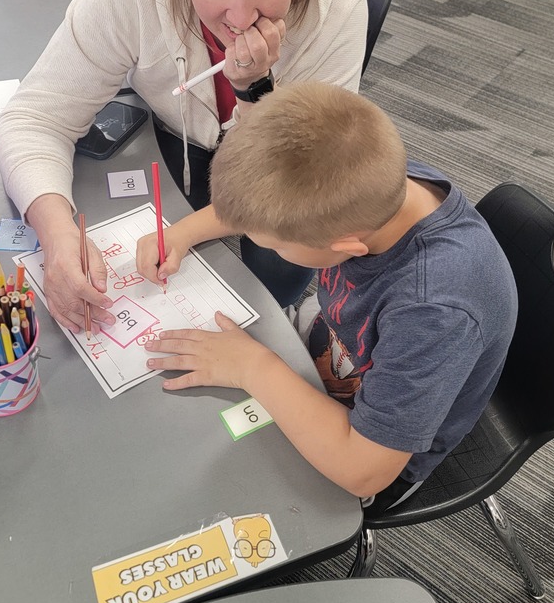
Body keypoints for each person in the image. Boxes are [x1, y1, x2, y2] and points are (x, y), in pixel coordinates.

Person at [0, 0, 368, 324]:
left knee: (274, 289)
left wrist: (256, 92)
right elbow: (36, 116)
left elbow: (300, 183)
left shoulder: (340, 2)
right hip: (171, 145)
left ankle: (290, 317)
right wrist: (58, 236)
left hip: (282, 177)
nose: (240, 17)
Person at [137, 84, 518, 505]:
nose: (264, 244)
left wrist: (252, 366)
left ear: (346, 247)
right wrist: (183, 232)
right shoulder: (372, 174)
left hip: (369, 455)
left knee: (202, 480)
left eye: (274, 244)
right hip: (328, 353)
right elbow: (272, 207)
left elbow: (363, 472)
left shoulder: (433, 310)